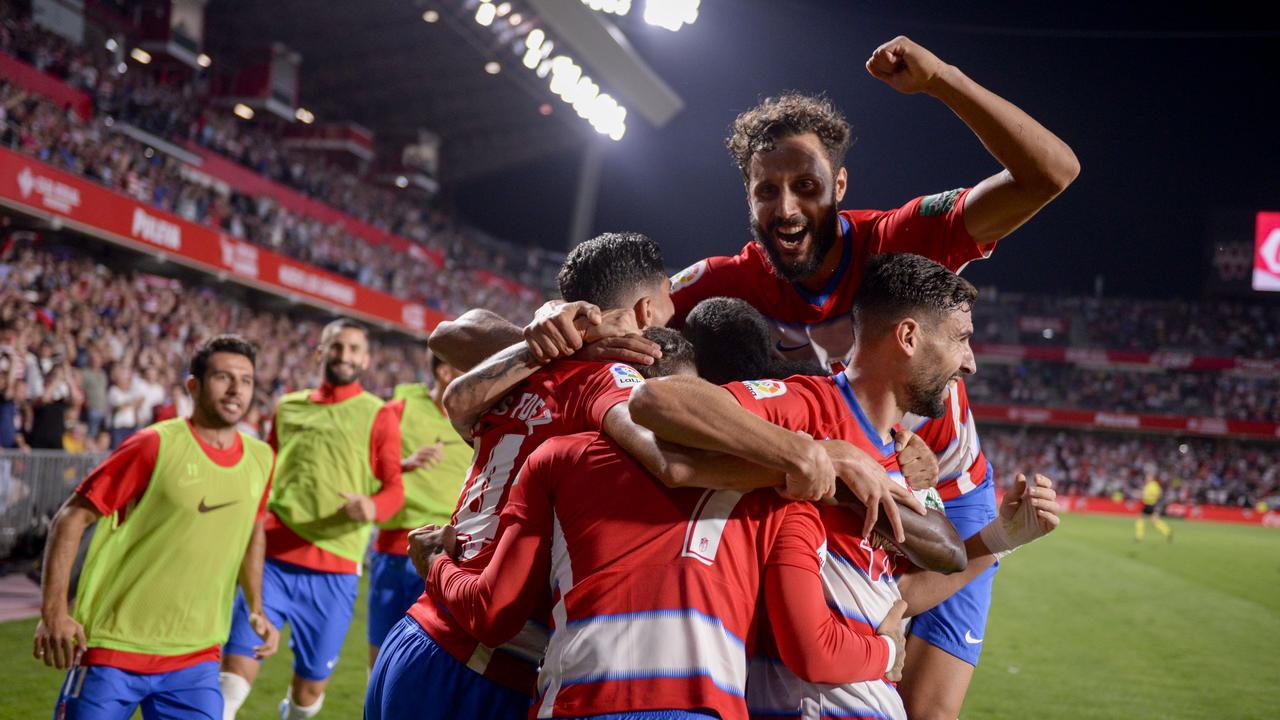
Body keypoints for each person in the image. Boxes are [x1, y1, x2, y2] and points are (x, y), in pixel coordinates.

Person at [630, 254, 1061, 718]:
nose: (970, 363)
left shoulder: (901, 456)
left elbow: (895, 595)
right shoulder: (810, 408)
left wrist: (1001, 540)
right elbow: (658, 399)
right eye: (961, 339)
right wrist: (816, 454)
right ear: (909, 337)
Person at [369, 233, 677, 720]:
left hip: (418, 636)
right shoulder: (611, 383)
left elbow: (451, 343)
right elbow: (669, 461)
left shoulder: (519, 373)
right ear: (645, 311)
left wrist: (554, 346)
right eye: (668, 307)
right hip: (490, 669)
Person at [418, 426, 908, 720]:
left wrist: (437, 563)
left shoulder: (561, 455)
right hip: (702, 707)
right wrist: (886, 650)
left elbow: (492, 610)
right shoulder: (784, 495)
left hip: (577, 701)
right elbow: (814, 650)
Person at [34, 335, 278, 720]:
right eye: (223, 377)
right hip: (114, 647)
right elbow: (71, 517)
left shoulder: (261, 458)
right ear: (193, 386)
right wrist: (53, 612)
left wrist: (257, 607)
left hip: (196, 657)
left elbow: (253, 531)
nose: (236, 389)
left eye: (246, 380)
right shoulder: (153, 445)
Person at [220, 319, 404, 720]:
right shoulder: (288, 407)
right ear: (321, 352)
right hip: (271, 559)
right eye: (336, 346)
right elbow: (265, 477)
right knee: (230, 682)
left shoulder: (379, 415)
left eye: (354, 349)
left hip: (334, 571)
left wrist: (373, 507)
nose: (344, 355)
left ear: (366, 360)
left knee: (307, 695)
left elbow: (394, 490)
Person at [366, 354, 471, 668]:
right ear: (444, 372)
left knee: (426, 664)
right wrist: (403, 464)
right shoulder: (398, 410)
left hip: (448, 558)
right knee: (380, 658)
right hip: (394, 549)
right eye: (467, 365)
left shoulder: (480, 421)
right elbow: (367, 469)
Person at [1136, 469, 1172, 542]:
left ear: (1151, 477)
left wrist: (1148, 497)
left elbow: (1158, 495)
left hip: (1152, 505)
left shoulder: (1154, 485)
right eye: (1147, 477)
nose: (1147, 478)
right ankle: (1139, 537)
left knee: (1152, 520)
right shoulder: (1148, 485)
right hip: (1147, 504)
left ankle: (1167, 532)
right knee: (1143, 519)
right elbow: (1145, 494)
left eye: (1148, 477)